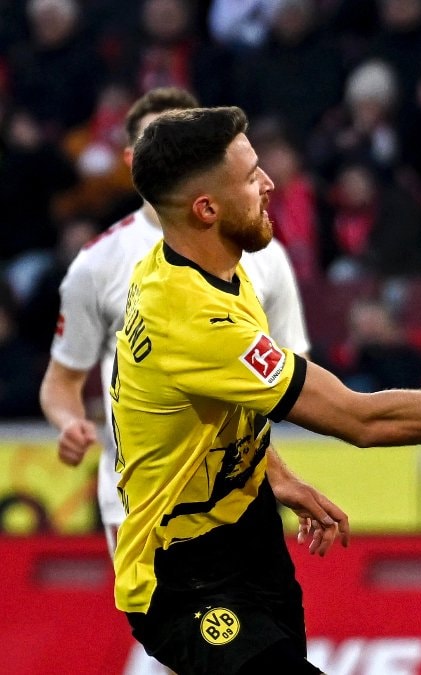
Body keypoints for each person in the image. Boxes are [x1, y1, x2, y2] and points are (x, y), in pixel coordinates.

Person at [112, 106, 421, 674]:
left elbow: (216, 397)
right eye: (251, 176)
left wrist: (273, 472)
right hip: (180, 572)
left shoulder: (199, 265)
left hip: (248, 536)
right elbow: (363, 420)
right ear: (206, 209)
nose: (270, 184)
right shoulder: (194, 319)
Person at [40, 86, 311, 558]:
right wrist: (69, 422)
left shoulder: (265, 253)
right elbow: (61, 380)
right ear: (132, 161)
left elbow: (292, 377)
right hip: (142, 497)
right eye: (160, 139)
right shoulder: (98, 263)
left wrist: (278, 471)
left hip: (240, 488)